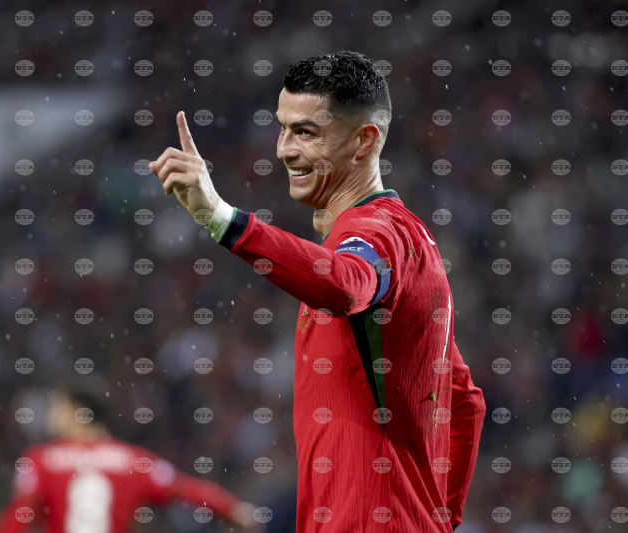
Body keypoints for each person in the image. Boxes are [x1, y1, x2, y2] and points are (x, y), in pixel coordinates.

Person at [149, 50, 487, 532]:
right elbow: (464, 404)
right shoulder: (412, 240)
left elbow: (345, 284)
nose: (284, 150)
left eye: (306, 132)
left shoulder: (375, 234)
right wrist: (438, 519)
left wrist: (221, 218)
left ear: (364, 141)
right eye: (283, 129)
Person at [0, 386, 258, 533]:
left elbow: (19, 516)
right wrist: (233, 509)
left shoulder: (41, 460)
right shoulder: (133, 461)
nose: (50, 417)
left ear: (78, 413)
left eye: (57, 409)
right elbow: (186, 489)